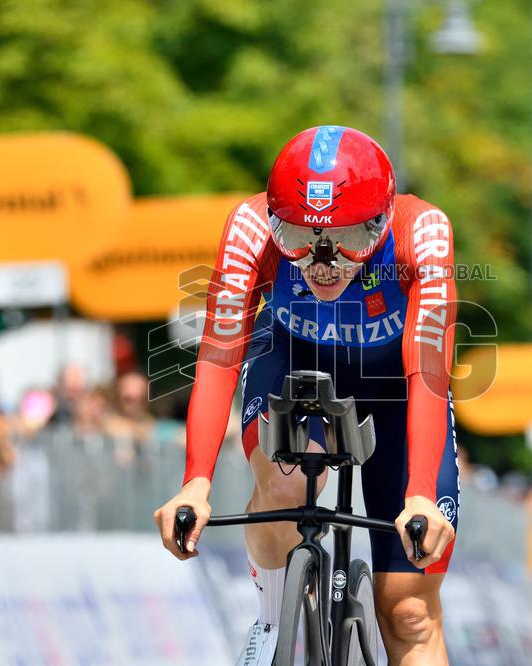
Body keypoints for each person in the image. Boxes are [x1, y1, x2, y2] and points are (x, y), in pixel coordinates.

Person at [154, 126, 459, 665]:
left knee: (409, 611)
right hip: (294, 362)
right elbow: (219, 356)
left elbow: (429, 375)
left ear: (383, 221)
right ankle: (272, 624)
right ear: (274, 221)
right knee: (286, 483)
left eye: (350, 240)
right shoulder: (249, 226)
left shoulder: (424, 232)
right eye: (296, 238)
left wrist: (419, 497)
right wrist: (195, 484)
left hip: (395, 388)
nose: (323, 261)